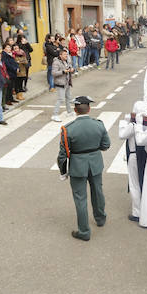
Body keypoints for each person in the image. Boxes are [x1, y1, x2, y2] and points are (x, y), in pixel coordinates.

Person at [57, 96, 111, 241]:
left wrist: (63, 171)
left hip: (77, 166)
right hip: (95, 163)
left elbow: (63, 155)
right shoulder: (98, 125)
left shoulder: (68, 129)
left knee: (80, 199)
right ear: (89, 109)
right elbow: (106, 145)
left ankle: (84, 231)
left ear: (75, 110)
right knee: (98, 192)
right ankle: (100, 218)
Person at [51, 49, 74, 122]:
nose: (66, 56)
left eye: (67, 54)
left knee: (68, 97)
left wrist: (72, 70)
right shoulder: (56, 62)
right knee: (61, 99)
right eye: (65, 54)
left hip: (67, 82)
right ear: (60, 55)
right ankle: (55, 115)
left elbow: (70, 68)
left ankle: (69, 112)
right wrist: (63, 72)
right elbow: (54, 73)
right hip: (60, 83)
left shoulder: (67, 61)